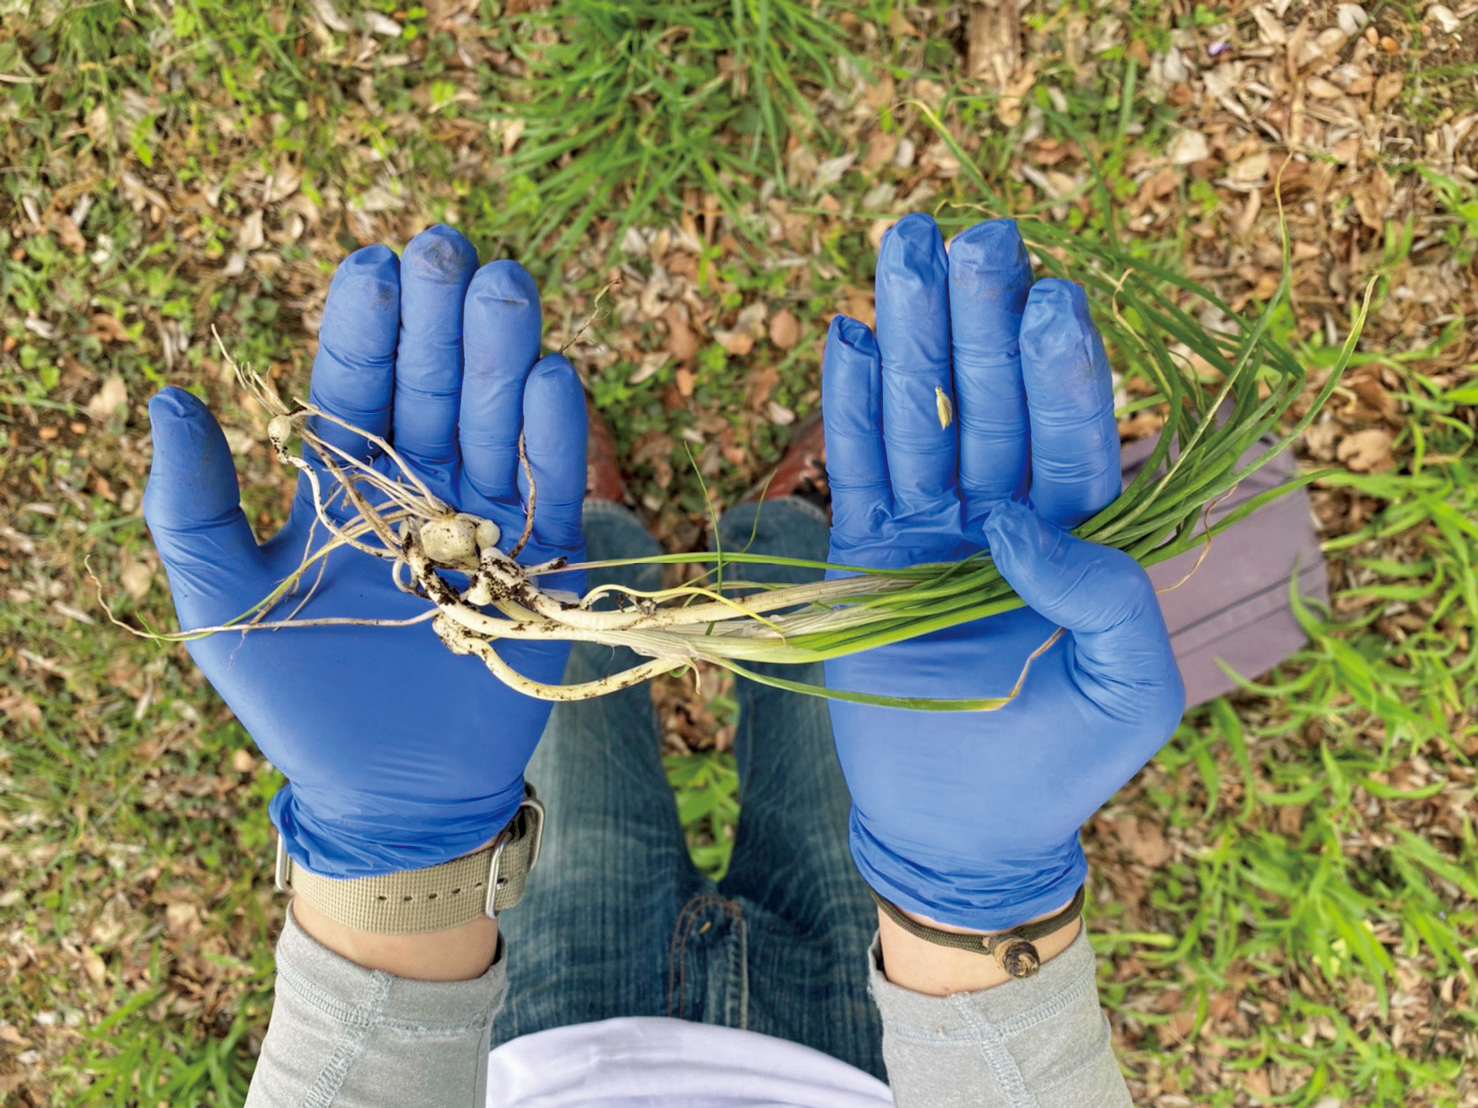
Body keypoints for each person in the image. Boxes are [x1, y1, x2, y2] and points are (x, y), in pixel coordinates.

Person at [142, 214, 1324, 1106]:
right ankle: (780, 524)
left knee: (554, 660)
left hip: (536, 1040)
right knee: (857, 643)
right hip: (881, 1046)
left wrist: (398, 865)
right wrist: (973, 901)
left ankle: (591, 532)